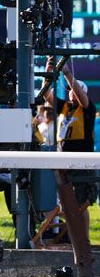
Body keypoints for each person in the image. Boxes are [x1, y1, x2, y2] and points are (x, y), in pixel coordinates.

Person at [43, 57, 96, 240]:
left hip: (81, 163)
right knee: (66, 203)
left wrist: (66, 73)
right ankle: (74, 237)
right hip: (63, 161)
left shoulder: (88, 108)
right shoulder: (64, 107)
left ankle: (85, 239)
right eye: (70, 91)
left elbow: (82, 97)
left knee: (81, 203)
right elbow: (46, 94)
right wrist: (48, 70)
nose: (72, 93)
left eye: (75, 90)